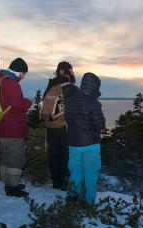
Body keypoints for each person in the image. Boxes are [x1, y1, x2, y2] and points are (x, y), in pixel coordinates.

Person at [64, 72, 106, 205]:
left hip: (73, 143)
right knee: (91, 174)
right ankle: (88, 203)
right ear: (95, 87)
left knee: (75, 172)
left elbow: (68, 119)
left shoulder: (70, 100)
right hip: (90, 144)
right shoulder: (93, 103)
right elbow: (99, 125)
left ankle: (72, 199)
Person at [0, 58, 32, 197]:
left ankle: (6, 181)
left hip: (2, 125)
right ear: (20, 71)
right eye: (24, 73)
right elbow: (17, 104)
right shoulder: (11, 82)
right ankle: (13, 186)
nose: (24, 76)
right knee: (16, 158)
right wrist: (28, 103)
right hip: (13, 127)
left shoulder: (0, 80)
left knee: (6, 156)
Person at [42, 61, 78, 190]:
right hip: (64, 125)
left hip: (50, 124)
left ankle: (55, 182)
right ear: (70, 71)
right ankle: (65, 182)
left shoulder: (51, 84)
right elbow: (76, 108)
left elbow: (44, 103)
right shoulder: (70, 87)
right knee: (65, 154)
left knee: (53, 153)